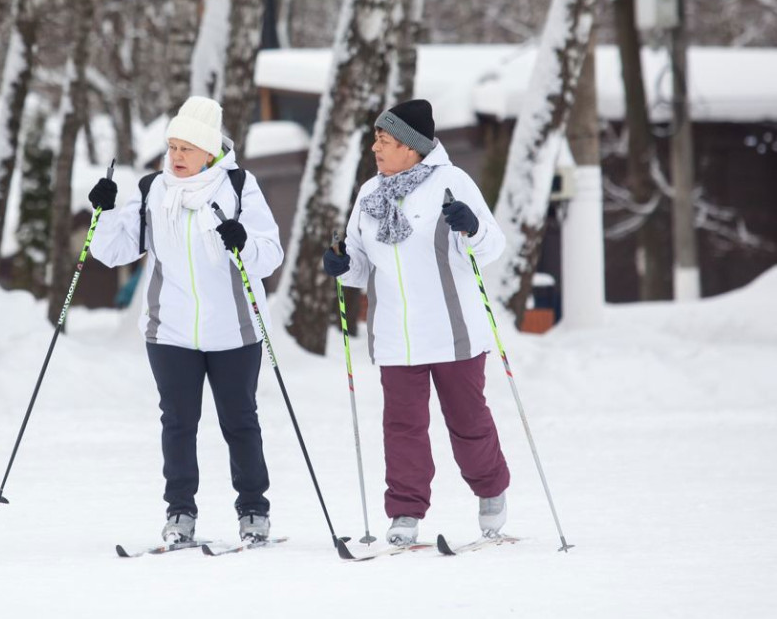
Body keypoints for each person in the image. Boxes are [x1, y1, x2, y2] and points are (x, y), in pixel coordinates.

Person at [87, 96, 284, 544]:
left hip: (234, 331)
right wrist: (103, 212)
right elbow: (112, 252)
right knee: (177, 424)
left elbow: (269, 255)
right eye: (171, 147)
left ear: (210, 152)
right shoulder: (152, 190)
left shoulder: (238, 187)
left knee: (240, 422)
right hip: (170, 331)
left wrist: (244, 242)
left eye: (186, 149)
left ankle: (253, 511)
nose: (175, 157)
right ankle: (180, 514)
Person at [322, 99, 510, 545]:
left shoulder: (452, 183)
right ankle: (404, 513)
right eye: (375, 139)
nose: (375, 148)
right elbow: (361, 264)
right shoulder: (370, 194)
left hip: (452, 332)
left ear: (411, 146)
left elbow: (492, 247)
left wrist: (473, 228)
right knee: (402, 428)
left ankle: (491, 493)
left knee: (468, 422)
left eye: (384, 141)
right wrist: (340, 265)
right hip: (395, 337)